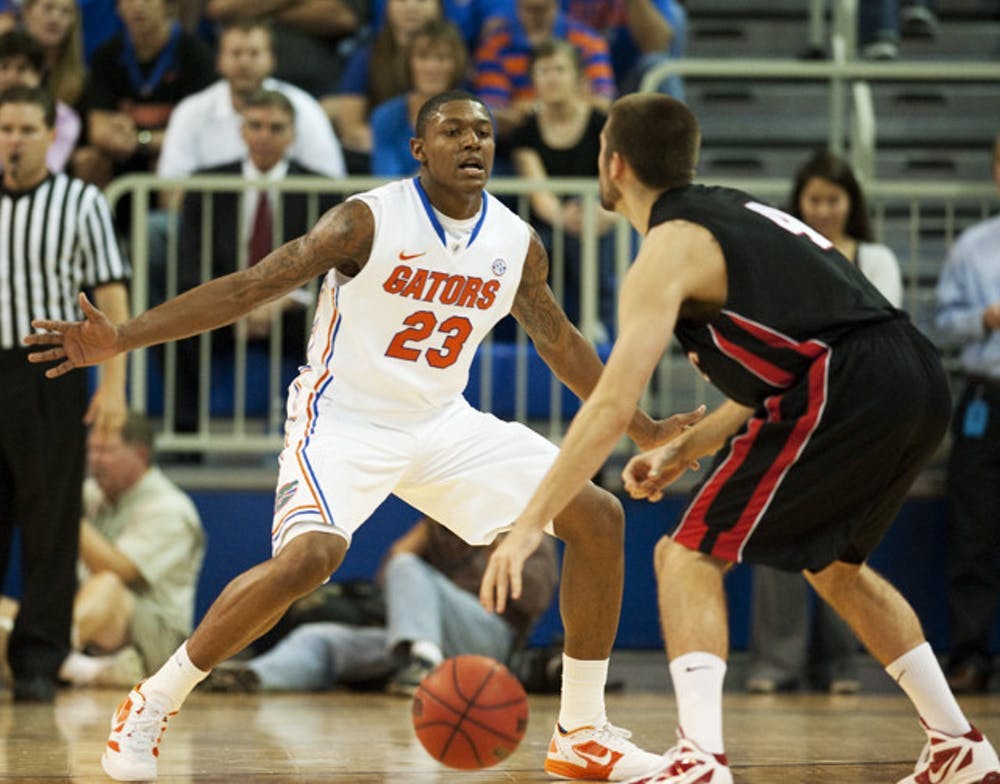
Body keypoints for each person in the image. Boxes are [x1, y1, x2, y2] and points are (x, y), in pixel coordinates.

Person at [26, 90, 702, 782]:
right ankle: (152, 701)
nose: (472, 142)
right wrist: (124, 337)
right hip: (342, 419)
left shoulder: (514, 242)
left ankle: (581, 731)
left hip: (442, 421)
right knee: (309, 560)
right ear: (419, 150)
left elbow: (559, 343)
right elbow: (248, 288)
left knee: (598, 516)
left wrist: (644, 428)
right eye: (453, 131)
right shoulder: (365, 222)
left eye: (482, 132)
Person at [480, 93, 1000, 784]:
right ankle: (958, 744)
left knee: (684, 556)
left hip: (850, 380)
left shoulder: (668, 248)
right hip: (913, 377)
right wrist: (682, 448)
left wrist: (527, 526)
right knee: (835, 567)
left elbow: (610, 404)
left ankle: (699, 758)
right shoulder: (734, 212)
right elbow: (789, 369)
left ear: (615, 165)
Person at [747, 149, 904, 695]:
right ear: (799, 202)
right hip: (790, 411)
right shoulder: (781, 254)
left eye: (833, 199)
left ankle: (840, 663)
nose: (822, 210)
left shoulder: (877, 258)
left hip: (856, 417)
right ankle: (776, 663)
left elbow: (878, 330)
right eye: (813, 199)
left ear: (850, 204)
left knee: (844, 543)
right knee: (775, 533)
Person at [0, 85, 129, 703]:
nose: (15, 141)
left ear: (52, 135)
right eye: (6, 129)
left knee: (50, 519)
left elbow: (112, 295)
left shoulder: (81, 202)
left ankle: (38, 661)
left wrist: (115, 387)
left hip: (49, 368)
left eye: (27, 129)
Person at [202, 515, 558, 694]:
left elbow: (529, 602)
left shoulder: (524, 526)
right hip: (424, 642)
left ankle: (422, 662)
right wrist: (424, 533)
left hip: (491, 640)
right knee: (321, 637)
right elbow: (387, 580)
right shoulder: (442, 527)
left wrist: (490, 555)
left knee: (408, 568)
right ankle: (251, 676)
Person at [172, 88, 339, 434]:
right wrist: (236, 303)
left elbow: (332, 268)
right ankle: (185, 439)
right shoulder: (206, 184)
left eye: (275, 128)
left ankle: (320, 437)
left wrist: (284, 301)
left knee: (333, 330)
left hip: (295, 308)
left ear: (292, 135)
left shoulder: (322, 190)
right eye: (256, 125)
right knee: (181, 325)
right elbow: (191, 262)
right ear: (242, 130)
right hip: (225, 302)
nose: (264, 136)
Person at [56, 411, 205, 687]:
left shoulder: (169, 507)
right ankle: (81, 668)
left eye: (105, 450)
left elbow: (119, 570)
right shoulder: (92, 494)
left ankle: (52, 656)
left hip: (157, 638)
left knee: (107, 586)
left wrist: (64, 510)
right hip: (88, 624)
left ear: (141, 454)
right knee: (7, 612)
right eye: (91, 449)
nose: (94, 459)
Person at [933, 133, 1000, 696]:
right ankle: (972, 654)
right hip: (987, 398)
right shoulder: (973, 247)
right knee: (974, 530)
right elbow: (943, 323)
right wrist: (984, 319)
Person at [509, 38, 617, 342]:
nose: (552, 78)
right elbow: (539, 192)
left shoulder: (604, 126)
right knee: (543, 247)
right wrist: (563, 217)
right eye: (543, 71)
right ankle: (545, 336)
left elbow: (616, 183)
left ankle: (598, 326)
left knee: (594, 239)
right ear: (533, 80)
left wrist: (601, 214)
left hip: (599, 218)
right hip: (549, 223)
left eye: (560, 69)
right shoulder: (525, 133)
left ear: (579, 78)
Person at [158, 17, 347, 181]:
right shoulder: (190, 111)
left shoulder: (304, 108)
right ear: (219, 60)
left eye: (254, 53)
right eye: (236, 53)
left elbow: (330, 183)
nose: (244, 63)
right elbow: (170, 186)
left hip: (291, 213)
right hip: (213, 213)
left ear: (272, 60)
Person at [75, 0, 215, 188]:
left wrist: (142, 141)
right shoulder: (106, 55)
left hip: (172, 154)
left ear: (167, 6)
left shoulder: (196, 56)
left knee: (169, 162)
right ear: (118, 8)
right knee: (89, 160)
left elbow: (199, 134)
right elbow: (98, 128)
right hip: (122, 154)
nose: (138, 6)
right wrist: (112, 136)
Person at [321, 0, 443, 172]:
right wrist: (390, 143)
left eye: (421, 0)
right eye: (402, 0)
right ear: (387, 7)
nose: (411, 6)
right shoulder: (367, 57)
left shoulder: (458, 58)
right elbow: (351, 128)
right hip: (381, 149)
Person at [473, 0, 615, 135]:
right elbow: (493, 114)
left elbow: (602, 105)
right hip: (516, 144)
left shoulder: (588, 42)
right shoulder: (494, 47)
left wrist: (530, 108)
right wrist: (567, 102)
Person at [203, 0, 364, 98]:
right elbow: (220, 7)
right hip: (237, 85)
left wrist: (257, 11)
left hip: (316, 84)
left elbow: (343, 17)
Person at [369, 18, 468, 177]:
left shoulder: (477, 118)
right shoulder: (385, 118)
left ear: (456, 64)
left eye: (442, 58)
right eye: (423, 57)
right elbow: (387, 181)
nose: (432, 67)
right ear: (409, 63)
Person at [561, 0, 687, 98]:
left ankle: (678, 123)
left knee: (658, 66)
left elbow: (658, 46)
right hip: (577, 81)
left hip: (628, 82)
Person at [0, 28, 80, 173]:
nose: (11, 77)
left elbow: (48, 167)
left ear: (39, 74)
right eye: (4, 67)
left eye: (22, 68)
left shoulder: (63, 118)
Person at [19, 0, 85, 108]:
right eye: (48, 8)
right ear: (26, 13)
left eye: (65, 12)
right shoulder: (5, 65)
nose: (55, 19)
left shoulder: (83, 82)